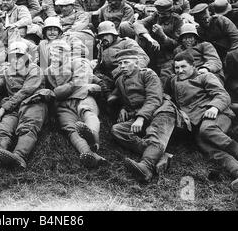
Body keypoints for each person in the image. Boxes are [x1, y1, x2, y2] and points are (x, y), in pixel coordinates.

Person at [166, 52, 238, 191]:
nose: (180, 71)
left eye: (183, 67)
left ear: (193, 66)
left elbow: (222, 94)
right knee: (207, 147)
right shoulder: (173, 81)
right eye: (176, 68)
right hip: (197, 124)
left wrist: (214, 107)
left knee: (208, 129)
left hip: (217, 115)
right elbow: (165, 95)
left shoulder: (205, 76)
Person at [0, 41, 48, 170]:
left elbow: (26, 91)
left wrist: (3, 108)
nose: (17, 60)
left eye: (20, 56)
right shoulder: (8, 71)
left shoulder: (34, 69)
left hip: (33, 102)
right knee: (2, 129)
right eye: (14, 56)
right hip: (13, 107)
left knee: (28, 126)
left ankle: (19, 157)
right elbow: (0, 81)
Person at [110, 49, 177, 182]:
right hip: (140, 114)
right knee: (117, 130)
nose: (122, 66)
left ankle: (146, 167)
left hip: (161, 110)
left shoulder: (147, 74)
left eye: (126, 62)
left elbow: (154, 99)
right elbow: (129, 100)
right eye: (120, 63)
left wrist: (140, 118)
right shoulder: (120, 81)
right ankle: (159, 155)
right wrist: (124, 108)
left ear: (136, 63)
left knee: (155, 133)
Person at [45, 39, 106, 168]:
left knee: (87, 111)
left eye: (59, 52)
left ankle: (93, 135)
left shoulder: (78, 62)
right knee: (69, 127)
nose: (54, 55)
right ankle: (88, 153)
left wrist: (58, 92)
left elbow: (78, 83)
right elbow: (49, 90)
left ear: (67, 53)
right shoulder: (49, 71)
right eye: (52, 53)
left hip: (81, 96)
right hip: (63, 105)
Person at [133, 0, 183, 86]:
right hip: (152, 51)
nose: (160, 16)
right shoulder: (156, 15)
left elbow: (177, 44)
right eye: (159, 13)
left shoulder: (177, 20)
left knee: (165, 78)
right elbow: (138, 24)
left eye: (163, 14)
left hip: (167, 55)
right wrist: (149, 38)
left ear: (170, 11)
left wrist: (163, 35)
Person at [94, 21, 149, 100]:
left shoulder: (127, 42)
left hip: (126, 75)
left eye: (106, 35)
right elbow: (100, 65)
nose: (103, 38)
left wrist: (124, 70)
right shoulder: (102, 47)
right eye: (101, 36)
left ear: (113, 34)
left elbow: (143, 57)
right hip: (109, 79)